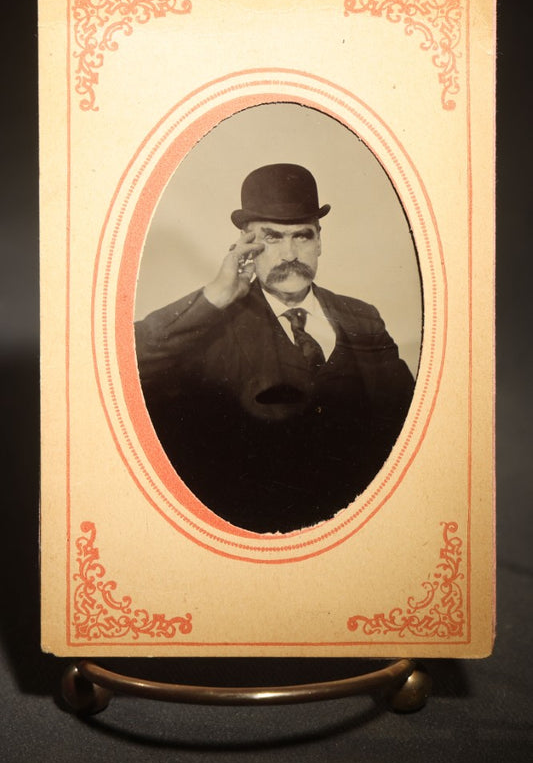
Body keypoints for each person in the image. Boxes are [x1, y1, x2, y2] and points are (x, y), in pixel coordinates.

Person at [135, 163, 415, 533]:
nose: (288, 255)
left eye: (301, 236)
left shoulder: (362, 319)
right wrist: (215, 296)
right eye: (272, 237)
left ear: (319, 241)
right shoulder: (212, 324)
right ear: (245, 246)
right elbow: (125, 360)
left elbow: (406, 423)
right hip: (255, 533)